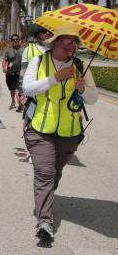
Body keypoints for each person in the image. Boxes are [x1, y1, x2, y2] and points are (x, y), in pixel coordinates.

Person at [22, 24, 98, 243]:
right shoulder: (39, 61)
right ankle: (45, 221)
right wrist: (57, 77)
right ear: (55, 41)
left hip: (70, 132)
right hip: (39, 129)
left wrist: (82, 88)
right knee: (45, 173)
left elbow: (93, 99)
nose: (71, 44)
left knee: (54, 173)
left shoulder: (81, 66)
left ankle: (45, 196)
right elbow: (27, 89)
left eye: (75, 41)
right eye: (67, 39)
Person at [18, 25, 52, 110]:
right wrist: (21, 92)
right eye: (43, 31)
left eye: (49, 31)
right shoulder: (29, 50)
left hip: (52, 93)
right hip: (33, 94)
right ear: (37, 34)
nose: (47, 33)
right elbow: (23, 72)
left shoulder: (56, 50)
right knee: (30, 120)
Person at [3, 34, 24, 110]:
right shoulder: (8, 50)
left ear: (19, 40)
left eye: (16, 39)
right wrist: (4, 68)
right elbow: (5, 60)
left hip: (20, 73)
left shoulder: (24, 50)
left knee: (19, 89)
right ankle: (13, 101)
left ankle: (20, 104)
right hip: (10, 73)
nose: (15, 40)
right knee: (12, 90)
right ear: (11, 41)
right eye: (13, 39)